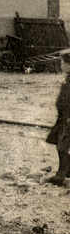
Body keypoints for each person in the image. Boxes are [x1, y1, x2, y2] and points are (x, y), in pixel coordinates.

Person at [46, 56, 70, 185]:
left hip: (68, 118)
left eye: (63, 63)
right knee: (59, 143)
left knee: (63, 146)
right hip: (63, 117)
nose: (61, 65)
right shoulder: (67, 78)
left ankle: (61, 175)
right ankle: (67, 171)